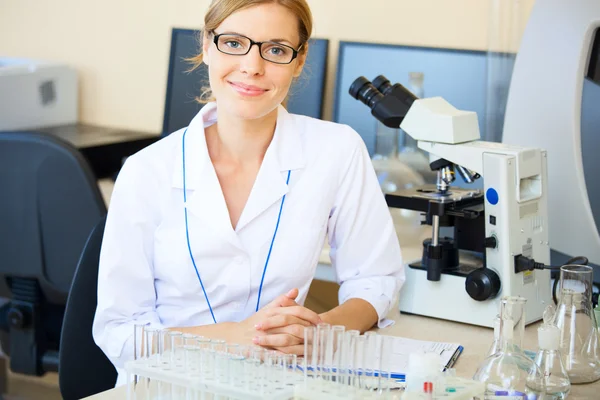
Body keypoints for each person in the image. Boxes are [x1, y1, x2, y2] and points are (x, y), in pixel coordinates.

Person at [92, 0, 404, 386]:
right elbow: (119, 331)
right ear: (207, 45)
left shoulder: (336, 150)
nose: (252, 67)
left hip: (283, 383)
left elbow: (377, 278)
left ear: (300, 59)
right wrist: (235, 337)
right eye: (234, 43)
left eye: (275, 50)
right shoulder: (147, 170)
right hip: (170, 386)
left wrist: (318, 332)